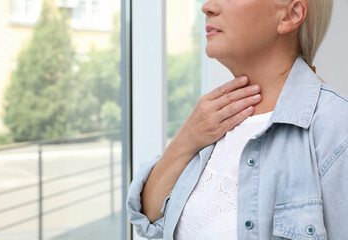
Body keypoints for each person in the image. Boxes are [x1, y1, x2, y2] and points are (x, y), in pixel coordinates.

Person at [127, 0, 348, 239]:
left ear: (290, 14)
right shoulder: (209, 119)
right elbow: (149, 216)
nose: (207, 7)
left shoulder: (335, 127)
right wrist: (186, 140)